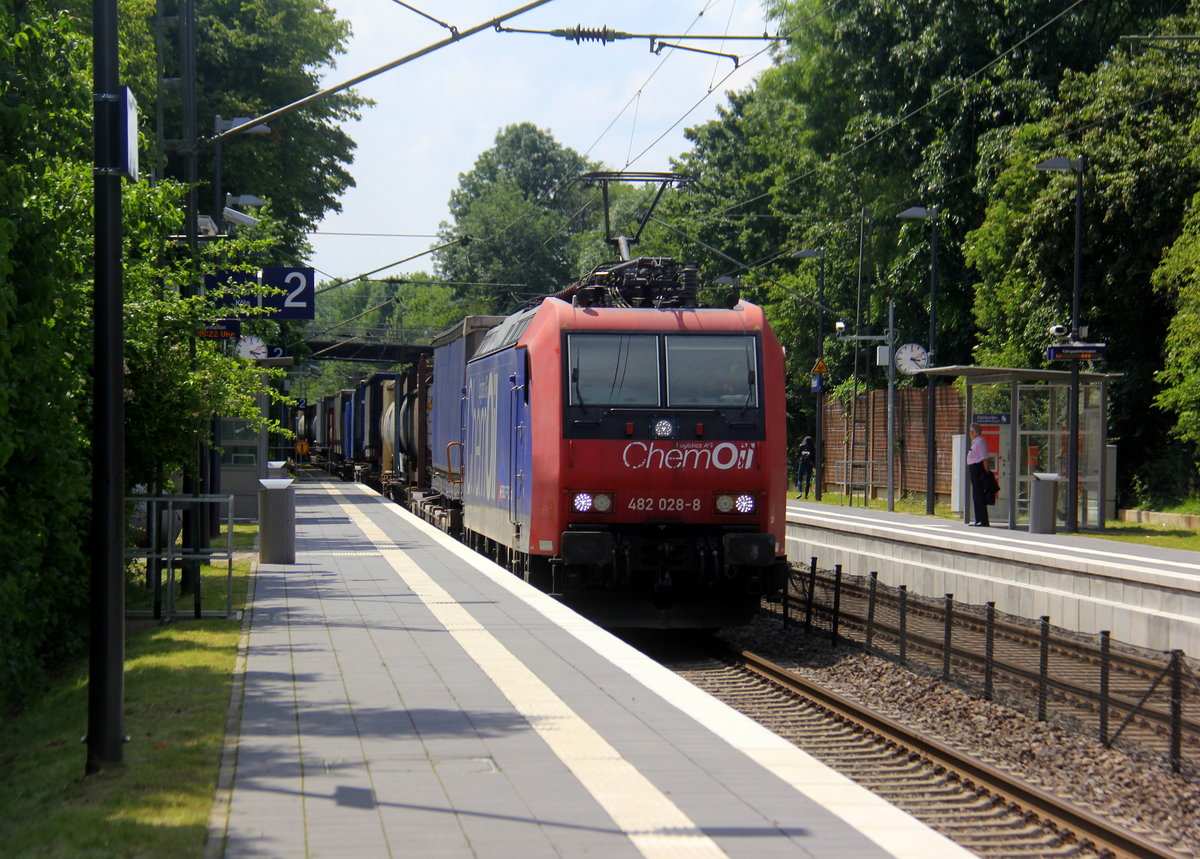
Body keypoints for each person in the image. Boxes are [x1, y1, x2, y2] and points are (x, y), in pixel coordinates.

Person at [967, 422, 991, 527]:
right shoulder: (975, 442)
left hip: (978, 469)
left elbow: (984, 458)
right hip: (974, 469)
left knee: (979, 495)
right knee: (976, 495)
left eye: (970, 431)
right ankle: (978, 519)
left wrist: (986, 472)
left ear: (973, 432)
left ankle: (983, 520)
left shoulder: (980, 441)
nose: (969, 433)